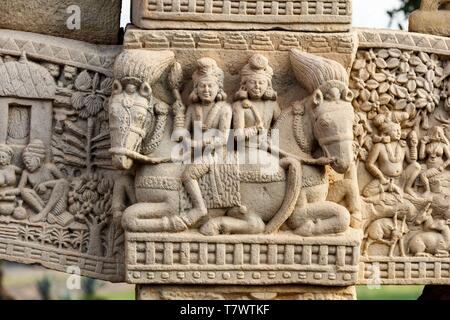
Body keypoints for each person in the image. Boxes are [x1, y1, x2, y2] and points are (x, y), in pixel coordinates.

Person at [178, 58, 233, 229]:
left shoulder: (225, 109)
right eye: (202, 86)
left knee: (188, 175)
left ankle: (199, 209)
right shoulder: (193, 109)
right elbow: (182, 133)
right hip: (192, 152)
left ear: (218, 88)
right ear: (196, 88)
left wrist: (200, 143)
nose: (206, 90)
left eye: (210, 86)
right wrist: (179, 120)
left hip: (215, 154)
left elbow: (224, 138)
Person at [363, 120, 421, 198]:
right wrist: (381, 177)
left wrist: (413, 147)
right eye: (395, 130)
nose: (398, 133)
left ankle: (407, 188)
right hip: (385, 178)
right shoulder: (379, 146)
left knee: (416, 166)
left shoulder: (403, 145)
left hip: (401, 178)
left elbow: (412, 161)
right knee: (367, 192)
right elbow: (369, 164)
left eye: (399, 130)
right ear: (387, 132)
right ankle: (388, 187)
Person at [18, 140, 70, 223]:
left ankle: (43, 214)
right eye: (25, 164)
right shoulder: (26, 172)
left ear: (37, 159)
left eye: (28, 162)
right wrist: (5, 193)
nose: (26, 166)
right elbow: (19, 189)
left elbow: (65, 183)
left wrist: (46, 184)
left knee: (62, 182)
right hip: (40, 205)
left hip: (56, 205)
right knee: (24, 190)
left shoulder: (50, 167)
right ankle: (45, 214)